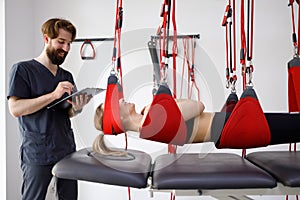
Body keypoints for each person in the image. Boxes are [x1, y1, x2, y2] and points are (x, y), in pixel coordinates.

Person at [7, 18, 89, 200]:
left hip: (66, 148)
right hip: (38, 150)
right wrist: (53, 95)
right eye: (61, 42)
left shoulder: (66, 75)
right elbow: (15, 109)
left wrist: (77, 108)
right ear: (46, 39)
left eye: (69, 44)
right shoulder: (23, 70)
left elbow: (67, 112)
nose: (66, 48)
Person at [92, 98, 300, 155]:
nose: (121, 100)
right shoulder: (151, 122)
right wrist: (169, 103)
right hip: (235, 128)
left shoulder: (148, 124)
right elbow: (198, 106)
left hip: (232, 127)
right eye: (115, 104)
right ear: (116, 118)